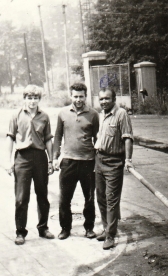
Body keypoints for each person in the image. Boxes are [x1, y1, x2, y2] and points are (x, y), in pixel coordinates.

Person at [5, 84, 55, 245]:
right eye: (29, 98)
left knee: (42, 195)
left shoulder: (44, 117)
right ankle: (20, 232)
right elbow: (10, 138)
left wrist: (51, 160)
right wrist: (8, 161)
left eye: (35, 98)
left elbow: (48, 139)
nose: (32, 101)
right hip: (22, 158)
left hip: (40, 157)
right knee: (21, 198)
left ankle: (43, 228)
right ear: (24, 98)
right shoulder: (16, 115)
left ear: (39, 99)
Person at [53, 83, 99, 240]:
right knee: (65, 198)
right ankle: (65, 229)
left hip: (88, 162)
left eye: (81, 96)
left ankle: (89, 228)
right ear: (70, 96)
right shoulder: (63, 113)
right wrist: (55, 157)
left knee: (89, 198)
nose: (78, 99)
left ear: (85, 96)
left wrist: (98, 159)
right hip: (68, 162)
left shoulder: (93, 114)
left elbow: (98, 138)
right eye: (75, 96)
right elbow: (58, 136)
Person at [95, 87, 134, 250]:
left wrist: (128, 159)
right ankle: (106, 228)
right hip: (99, 160)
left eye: (107, 99)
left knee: (111, 199)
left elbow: (127, 138)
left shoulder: (121, 114)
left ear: (114, 99)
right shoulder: (100, 115)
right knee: (101, 198)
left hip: (114, 162)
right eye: (101, 99)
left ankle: (111, 235)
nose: (104, 101)